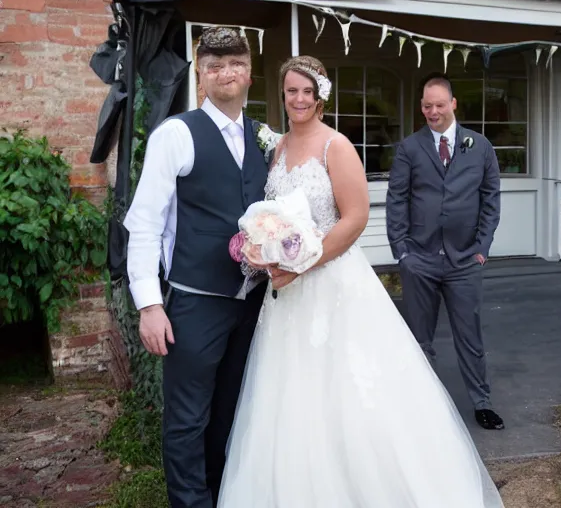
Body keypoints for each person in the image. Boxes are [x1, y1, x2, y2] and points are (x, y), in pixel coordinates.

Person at [217, 56, 504, 507]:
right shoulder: (277, 149)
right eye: (291, 91)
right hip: (286, 298)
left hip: (331, 285)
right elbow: (274, 216)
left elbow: (355, 219)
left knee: (350, 390)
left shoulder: (337, 146)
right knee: (288, 396)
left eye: (307, 91)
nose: (298, 99)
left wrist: (304, 264)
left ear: (321, 96)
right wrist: (265, 249)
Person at [123, 27, 269, 507]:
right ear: (201, 75)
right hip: (194, 304)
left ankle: (219, 494)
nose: (226, 72)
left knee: (228, 412)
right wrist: (149, 304)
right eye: (214, 65)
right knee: (187, 418)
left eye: (235, 63)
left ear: (249, 72)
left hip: (250, 305)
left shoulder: (261, 136)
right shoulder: (176, 134)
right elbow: (144, 223)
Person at [386, 72, 504, 431]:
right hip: (418, 259)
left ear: (453, 104)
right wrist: (402, 251)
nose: (432, 111)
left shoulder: (480, 146)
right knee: (420, 339)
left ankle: (481, 402)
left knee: (469, 336)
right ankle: (425, 406)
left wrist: (481, 248)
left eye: (439, 105)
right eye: (426, 106)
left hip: (464, 260)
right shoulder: (409, 148)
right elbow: (397, 200)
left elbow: (491, 200)